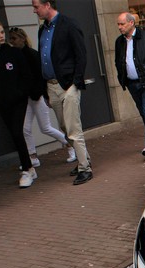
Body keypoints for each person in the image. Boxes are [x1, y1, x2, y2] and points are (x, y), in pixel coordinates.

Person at [32, 0, 93, 185]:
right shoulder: (42, 29)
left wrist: (75, 83)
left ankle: (85, 168)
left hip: (67, 85)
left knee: (74, 128)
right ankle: (85, 160)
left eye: (36, 6)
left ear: (47, 4)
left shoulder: (68, 24)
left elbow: (81, 54)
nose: (34, 10)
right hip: (51, 86)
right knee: (65, 129)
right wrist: (46, 91)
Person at [7, 27, 74, 168]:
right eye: (10, 39)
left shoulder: (32, 55)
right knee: (25, 128)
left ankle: (69, 145)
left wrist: (43, 94)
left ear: (22, 39)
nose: (11, 42)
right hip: (27, 97)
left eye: (14, 38)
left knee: (45, 127)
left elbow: (40, 76)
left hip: (36, 96)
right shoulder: (15, 56)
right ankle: (32, 156)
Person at [0, 19, 37, 189]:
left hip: (18, 101)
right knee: (14, 135)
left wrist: (21, 92)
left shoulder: (14, 53)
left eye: (2, 32)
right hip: (2, 103)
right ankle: (29, 167)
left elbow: (26, 75)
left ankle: (27, 169)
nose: (1, 36)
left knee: (17, 132)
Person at [115, 12, 145, 160]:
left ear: (131, 23)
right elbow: (118, 61)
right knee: (143, 112)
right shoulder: (119, 42)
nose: (119, 27)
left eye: (122, 24)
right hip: (132, 84)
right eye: (118, 24)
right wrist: (122, 77)